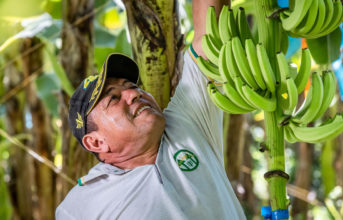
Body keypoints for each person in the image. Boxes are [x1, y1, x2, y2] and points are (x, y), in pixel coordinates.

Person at [56, 0, 245, 219]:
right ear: (96, 142)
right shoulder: (81, 207)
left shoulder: (187, 121)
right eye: (114, 99)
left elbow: (210, 40)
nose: (134, 93)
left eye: (132, 86)